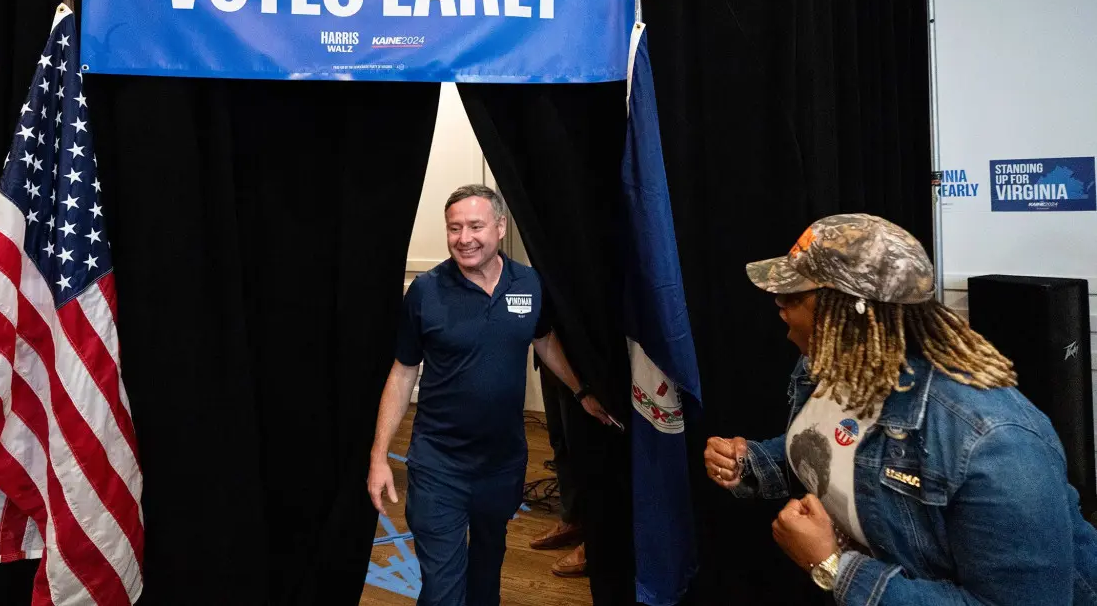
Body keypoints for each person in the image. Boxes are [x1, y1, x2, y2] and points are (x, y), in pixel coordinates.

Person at [703, 213, 1097, 604]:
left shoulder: (994, 441)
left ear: (848, 311)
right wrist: (755, 462)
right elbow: (840, 442)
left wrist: (832, 568)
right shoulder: (830, 366)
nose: (778, 304)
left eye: (794, 295)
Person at [368, 184, 612, 606]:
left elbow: (544, 339)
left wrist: (582, 391)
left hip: (501, 463)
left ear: (500, 227)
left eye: (476, 226)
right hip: (438, 466)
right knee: (443, 591)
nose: (464, 238)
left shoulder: (529, 283)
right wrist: (378, 457)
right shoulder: (425, 292)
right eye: (454, 228)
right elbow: (403, 372)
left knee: (486, 576)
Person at [529, 361, 588, 578]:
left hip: (584, 360)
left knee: (585, 450)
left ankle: (597, 542)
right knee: (559, 439)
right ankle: (571, 518)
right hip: (549, 349)